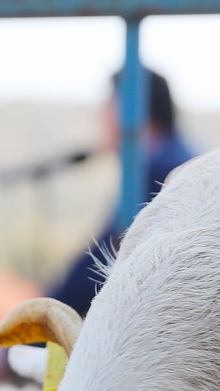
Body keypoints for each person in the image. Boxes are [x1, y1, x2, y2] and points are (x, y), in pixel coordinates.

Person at [43, 66, 197, 317]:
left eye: (108, 104)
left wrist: (42, 321)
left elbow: (100, 263)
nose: (101, 115)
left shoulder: (160, 172)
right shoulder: (175, 159)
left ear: (131, 107)